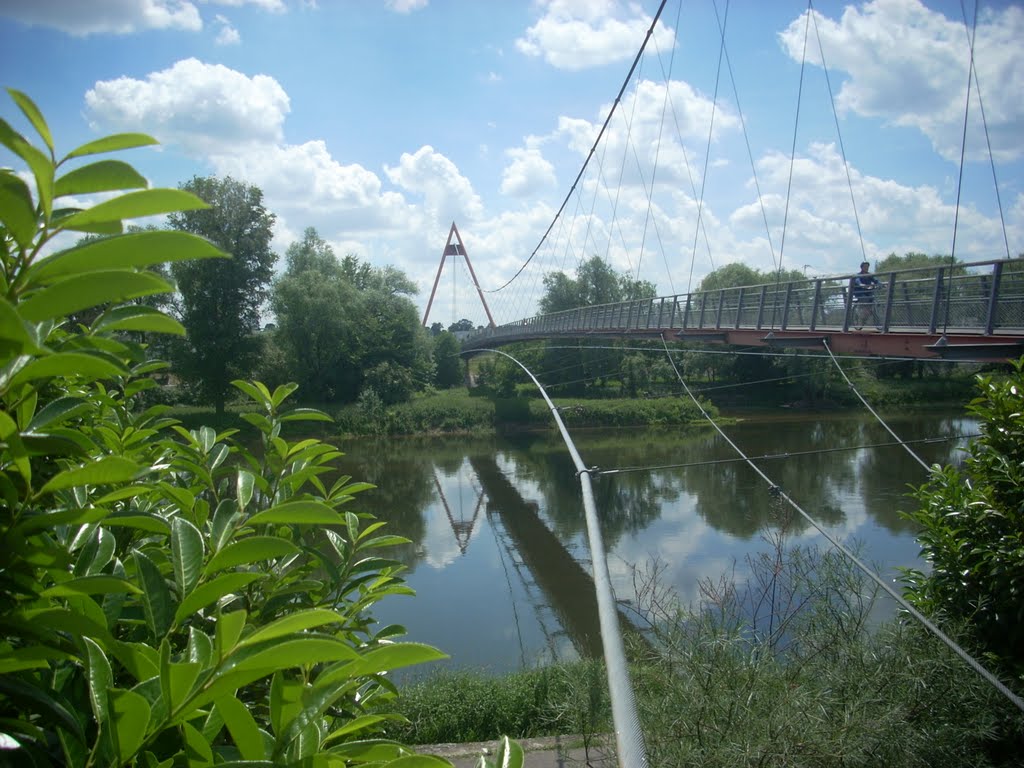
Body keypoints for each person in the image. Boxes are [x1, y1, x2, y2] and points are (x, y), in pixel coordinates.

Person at [852, 260, 881, 329]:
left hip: (868, 292)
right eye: (865, 266)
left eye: (867, 266)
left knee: (872, 299)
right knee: (865, 300)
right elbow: (857, 280)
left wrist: (880, 284)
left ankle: (872, 313)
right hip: (860, 293)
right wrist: (861, 284)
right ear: (861, 267)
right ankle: (859, 313)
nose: (866, 268)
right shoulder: (858, 275)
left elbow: (876, 280)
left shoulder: (869, 275)